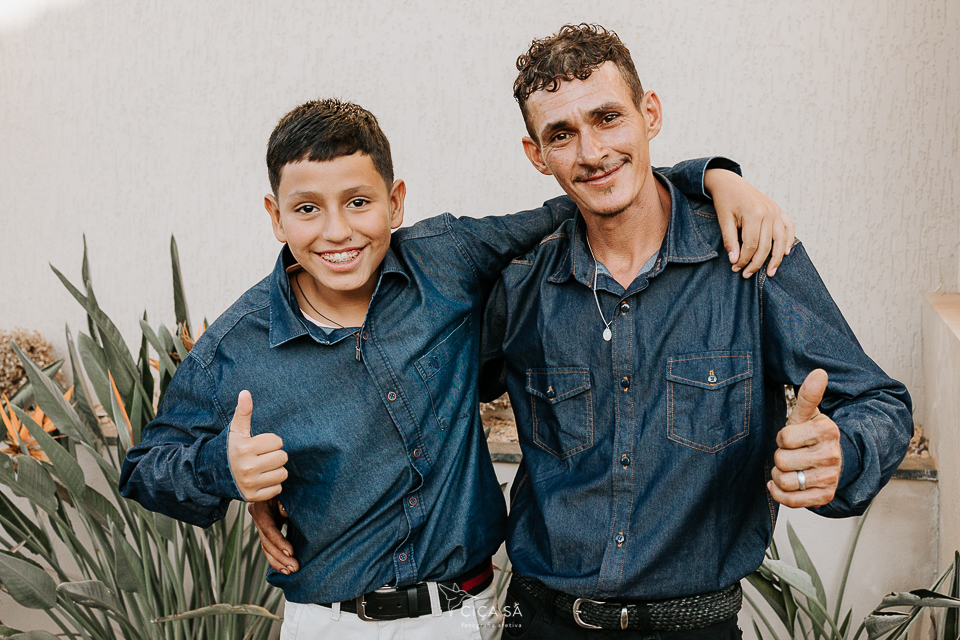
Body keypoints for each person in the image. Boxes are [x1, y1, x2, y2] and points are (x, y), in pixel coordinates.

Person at [118, 98, 792, 640]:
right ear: (275, 217)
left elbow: (585, 195)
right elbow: (146, 469)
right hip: (329, 622)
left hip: (464, 616)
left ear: (396, 202)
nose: (337, 231)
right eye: (306, 209)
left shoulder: (447, 257)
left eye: (358, 202)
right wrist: (225, 470)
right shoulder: (237, 345)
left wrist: (711, 177)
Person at [471, 24, 914, 639]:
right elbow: (428, 389)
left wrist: (845, 452)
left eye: (608, 118)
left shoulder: (750, 257)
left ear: (649, 114)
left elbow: (878, 401)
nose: (592, 152)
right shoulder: (521, 283)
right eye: (562, 134)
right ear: (536, 153)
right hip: (543, 622)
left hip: (696, 625)